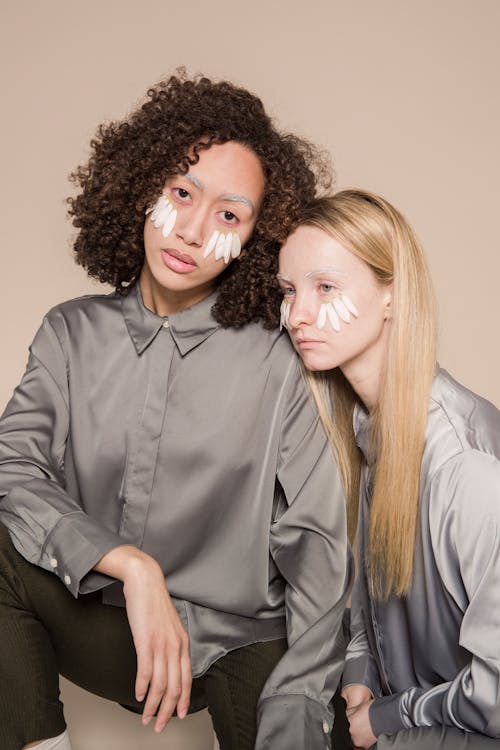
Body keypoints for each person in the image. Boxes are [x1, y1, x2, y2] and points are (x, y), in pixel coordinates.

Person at [0, 73, 353, 750]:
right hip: (110, 626)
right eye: (181, 193)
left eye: (228, 214)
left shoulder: (283, 360)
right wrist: (130, 564)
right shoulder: (69, 334)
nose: (191, 230)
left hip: (241, 643)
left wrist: (311, 689)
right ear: (142, 185)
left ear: (256, 236)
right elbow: (12, 466)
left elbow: (318, 547)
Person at [278, 189, 500, 750]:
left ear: (391, 297)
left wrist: (388, 716)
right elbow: (373, 591)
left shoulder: (464, 467)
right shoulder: (368, 431)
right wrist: (358, 669)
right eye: (289, 290)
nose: (297, 315)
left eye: (325, 287)